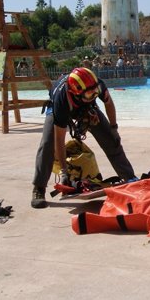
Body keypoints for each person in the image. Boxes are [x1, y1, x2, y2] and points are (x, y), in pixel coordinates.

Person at [31, 67, 136, 208]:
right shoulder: (61, 102)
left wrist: (114, 128)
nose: (94, 95)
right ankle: (39, 188)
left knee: (111, 139)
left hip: (85, 107)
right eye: (90, 94)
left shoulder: (94, 84)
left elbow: (108, 103)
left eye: (95, 93)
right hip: (59, 107)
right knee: (47, 144)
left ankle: (130, 178)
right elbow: (59, 140)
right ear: (75, 92)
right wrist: (64, 171)